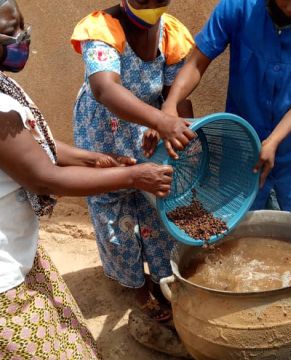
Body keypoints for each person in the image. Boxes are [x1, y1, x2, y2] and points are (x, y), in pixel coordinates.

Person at [0, 0, 174, 358]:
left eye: (22, 26)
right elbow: (44, 178)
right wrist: (134, 176)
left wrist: (93, 158)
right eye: (10, 32)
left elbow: (28, 143)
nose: (23, 37)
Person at [70, 0, 195, 321]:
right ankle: (136, 287)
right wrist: (160, 122)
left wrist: (181, 138)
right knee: (113, 209)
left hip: (147, 131)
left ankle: (161, 277)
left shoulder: (170, 33)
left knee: (157, 206)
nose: (152, 6)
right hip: (102, 133)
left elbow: (176, 95)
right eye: (143, 0)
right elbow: (105, 90)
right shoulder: (102, 29)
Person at [162, 0, 291, 220]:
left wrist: (274, 140)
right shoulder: (237, 6)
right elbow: (197, 63)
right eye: (284, 1)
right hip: (242, 144)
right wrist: (171, 104)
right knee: (236, 227)